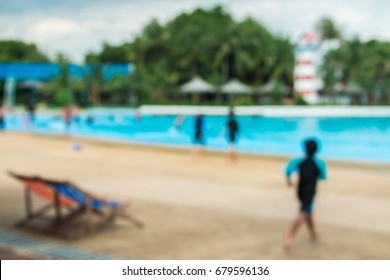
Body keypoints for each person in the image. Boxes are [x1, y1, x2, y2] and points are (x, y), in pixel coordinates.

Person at [283, 138, 327, 251]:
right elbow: (323, 177)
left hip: (300, 191)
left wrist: (289, 181)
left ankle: (313, 234)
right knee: (303, 213)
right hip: (310, 191)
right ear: (317, 149)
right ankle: (290, 234)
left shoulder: (298, 161)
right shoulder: (319, 163)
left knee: (308, 212)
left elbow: (288, 169)